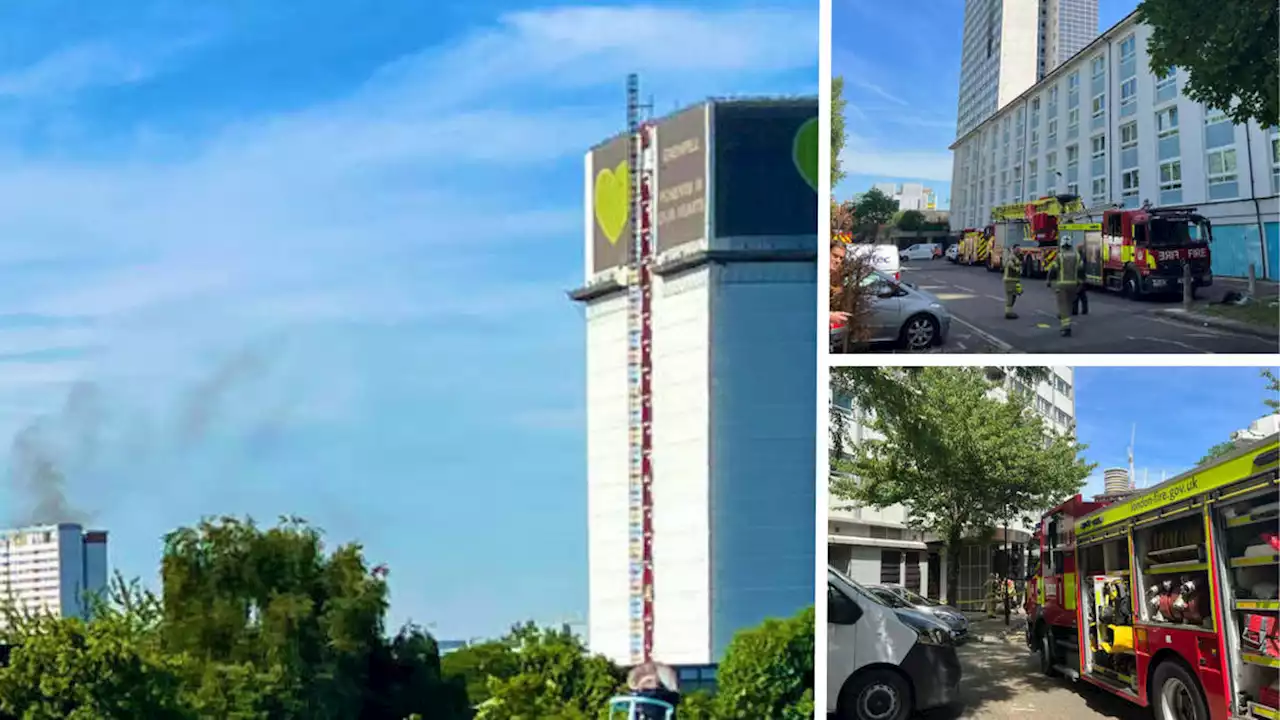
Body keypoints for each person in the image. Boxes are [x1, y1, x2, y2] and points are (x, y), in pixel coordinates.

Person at [1047, 239, 1084, 336]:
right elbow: (1081, 270)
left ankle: (1066, 328)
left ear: (1062, 246)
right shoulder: (1077, 256)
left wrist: (1049, 281)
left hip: (1062, 285)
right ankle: (1067, 322)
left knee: (1063, 307)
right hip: (1073, 285)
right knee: (1069, 305)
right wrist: (1081, 283)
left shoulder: (1060, 256)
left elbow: (1053, 269)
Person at [830, 240, 850, 328]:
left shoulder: (833, 277)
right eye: (835, 256)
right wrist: (829, 316)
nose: (838, 261)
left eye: (841, 258)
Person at [1002, 246, 1021, 319]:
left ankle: (1010, 311)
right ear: (1013, 249)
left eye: (1019, 249)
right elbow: (1011, 266)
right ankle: (1008, 313)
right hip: (1009, 280)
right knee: (1010, 297)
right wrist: (1017, 269)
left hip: (1015, 280)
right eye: (1017, 249)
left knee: (1014, 296)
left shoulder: (1016, 257)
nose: (1019, 250)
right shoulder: (1011, 258)